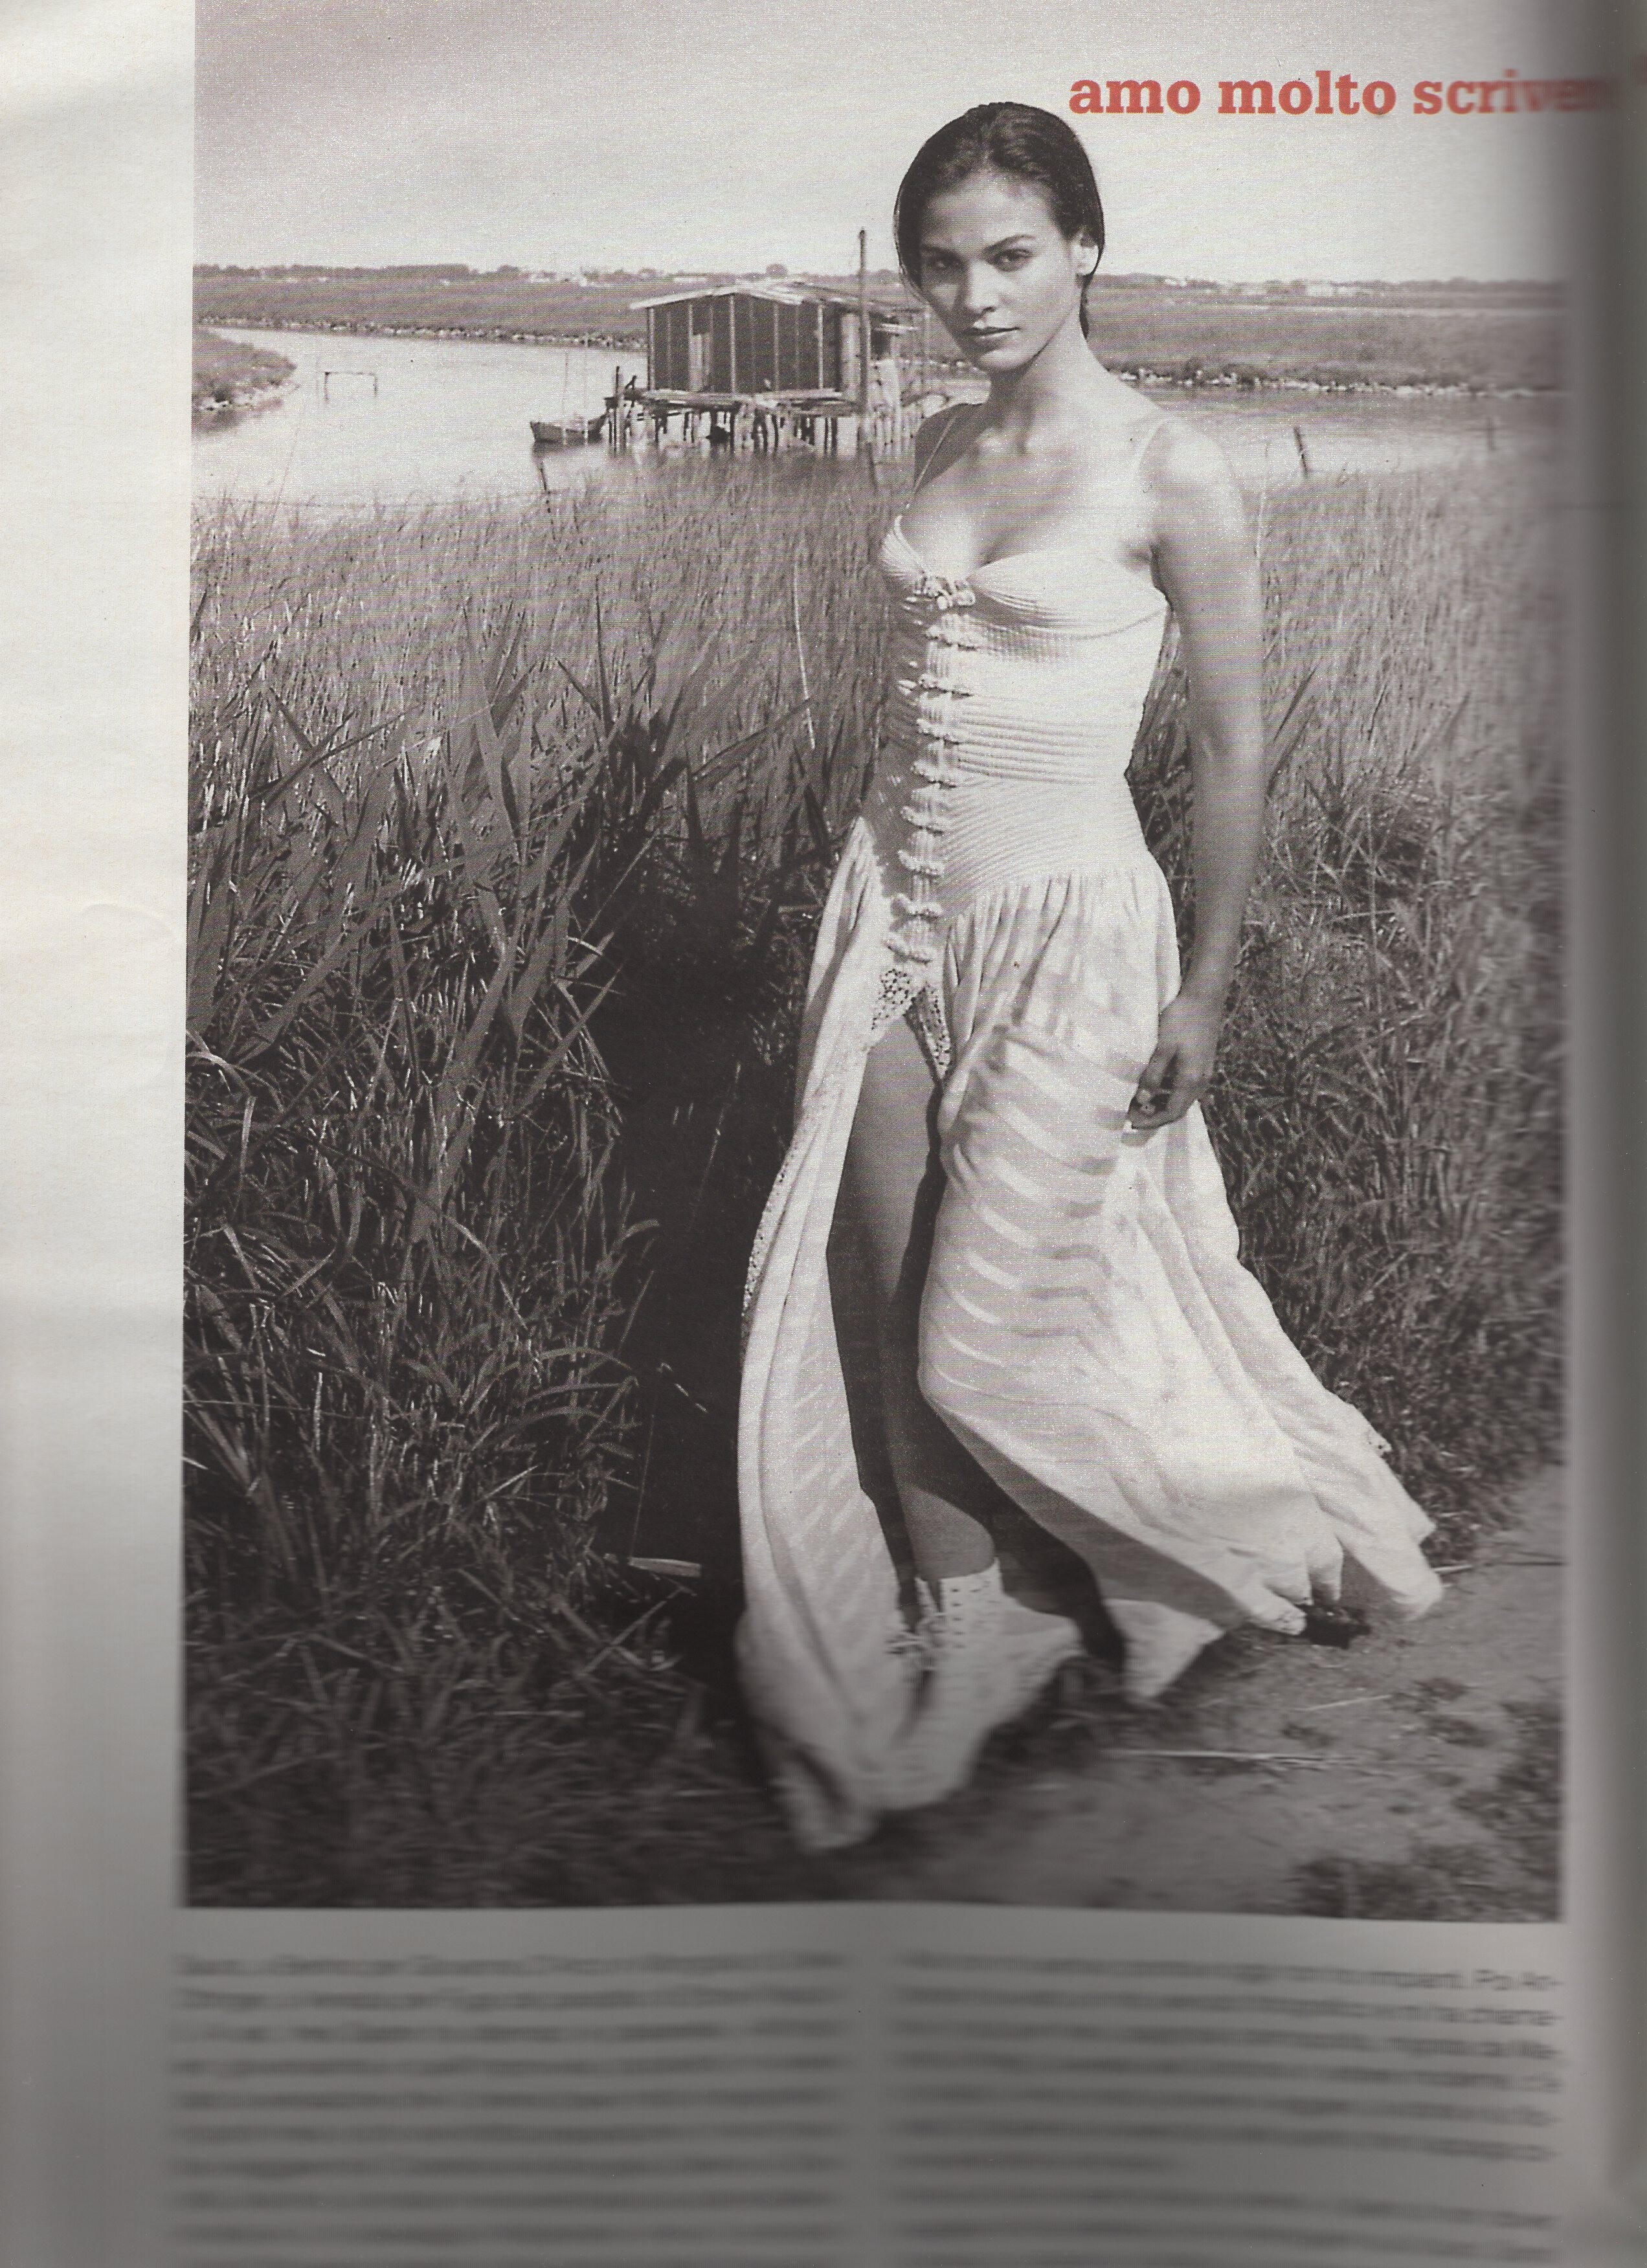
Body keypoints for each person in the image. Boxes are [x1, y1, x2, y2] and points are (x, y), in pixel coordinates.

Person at [737, 102, 1442, 1852]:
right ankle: (965, 1623)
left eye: (1009, 255)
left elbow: (1230, 748)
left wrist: (1206, 991)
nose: (972, 296)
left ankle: (1198, 1539)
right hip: (890, 906)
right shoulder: (939, 440)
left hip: (1072, 929)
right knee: (891, 1286)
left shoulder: (1169, 468)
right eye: (940, 265)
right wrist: (877, 898)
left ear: (1086, 250)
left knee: (1002, 1326)